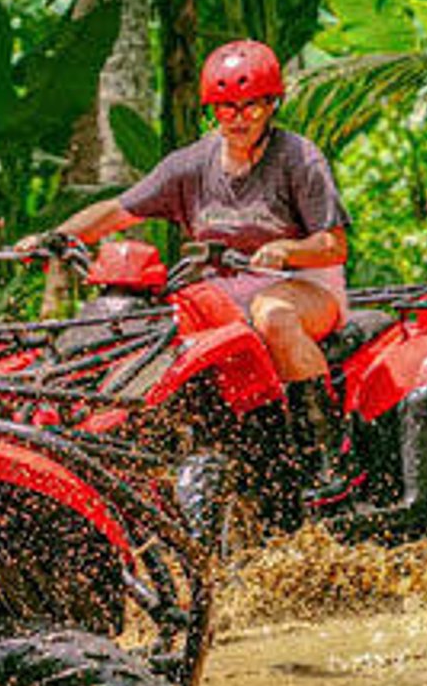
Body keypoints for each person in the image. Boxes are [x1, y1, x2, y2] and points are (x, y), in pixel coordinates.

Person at [27, 39, 352, 488]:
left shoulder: (298, 158)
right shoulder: (192, 164)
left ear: (272, 105)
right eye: (226, 108)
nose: (239, 118)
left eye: (251, 107)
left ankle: (327, 454)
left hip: (301, 282)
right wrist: (57, 237)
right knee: (148, 334)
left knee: (271, 317)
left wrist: (287, 250)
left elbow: (333, 245)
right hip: (217, 292)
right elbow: (119, 211)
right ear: (212, 110)